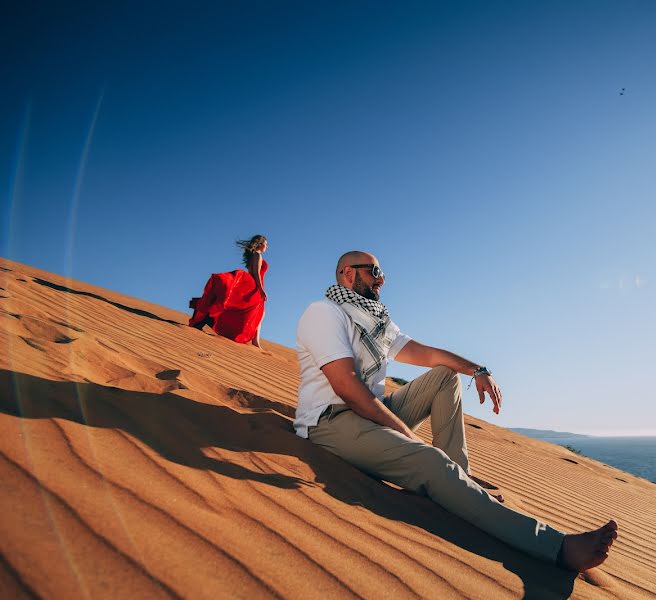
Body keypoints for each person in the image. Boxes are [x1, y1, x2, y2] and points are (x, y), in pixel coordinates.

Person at [294, 250, 618, 571]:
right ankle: (556, 546)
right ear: (348, 274)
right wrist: (407, 436)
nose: (382, 279)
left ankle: (458, 480)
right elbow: (348, 388)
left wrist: (478, 370)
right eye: (374, 271)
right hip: (331, 421)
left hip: (370, 413)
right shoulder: (324, 313)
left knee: (444, 376)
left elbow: (428, 355)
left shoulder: (375, 321)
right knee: (430, 461)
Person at [189, 234, 269, 348]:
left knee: (256, 312)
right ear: (260, 244)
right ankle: (255, 342)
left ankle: (256, 341)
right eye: (266, 244)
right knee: (258, 313)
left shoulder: (253, 255)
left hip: (252, 284)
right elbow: (256, 273)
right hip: (254, 285)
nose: (267, 247)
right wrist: (261, 289)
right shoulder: (258, 255)